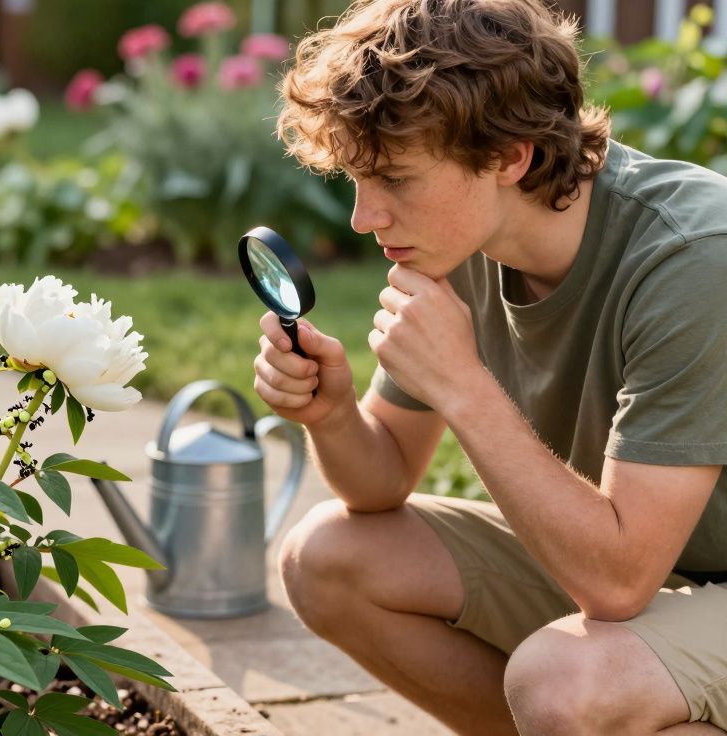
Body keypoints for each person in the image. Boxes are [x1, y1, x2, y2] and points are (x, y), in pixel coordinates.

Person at [253, 0, 727, 733]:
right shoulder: (462, 239)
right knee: (329, 558)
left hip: (653, 573)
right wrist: (332, 413)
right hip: (651, 570)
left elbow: (617, 582)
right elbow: (379, 484)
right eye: (356, 179)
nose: (363, 218)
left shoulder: (692, 260)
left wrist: (462, 385)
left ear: (510, 157)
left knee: (566, 682)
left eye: (395, 179)